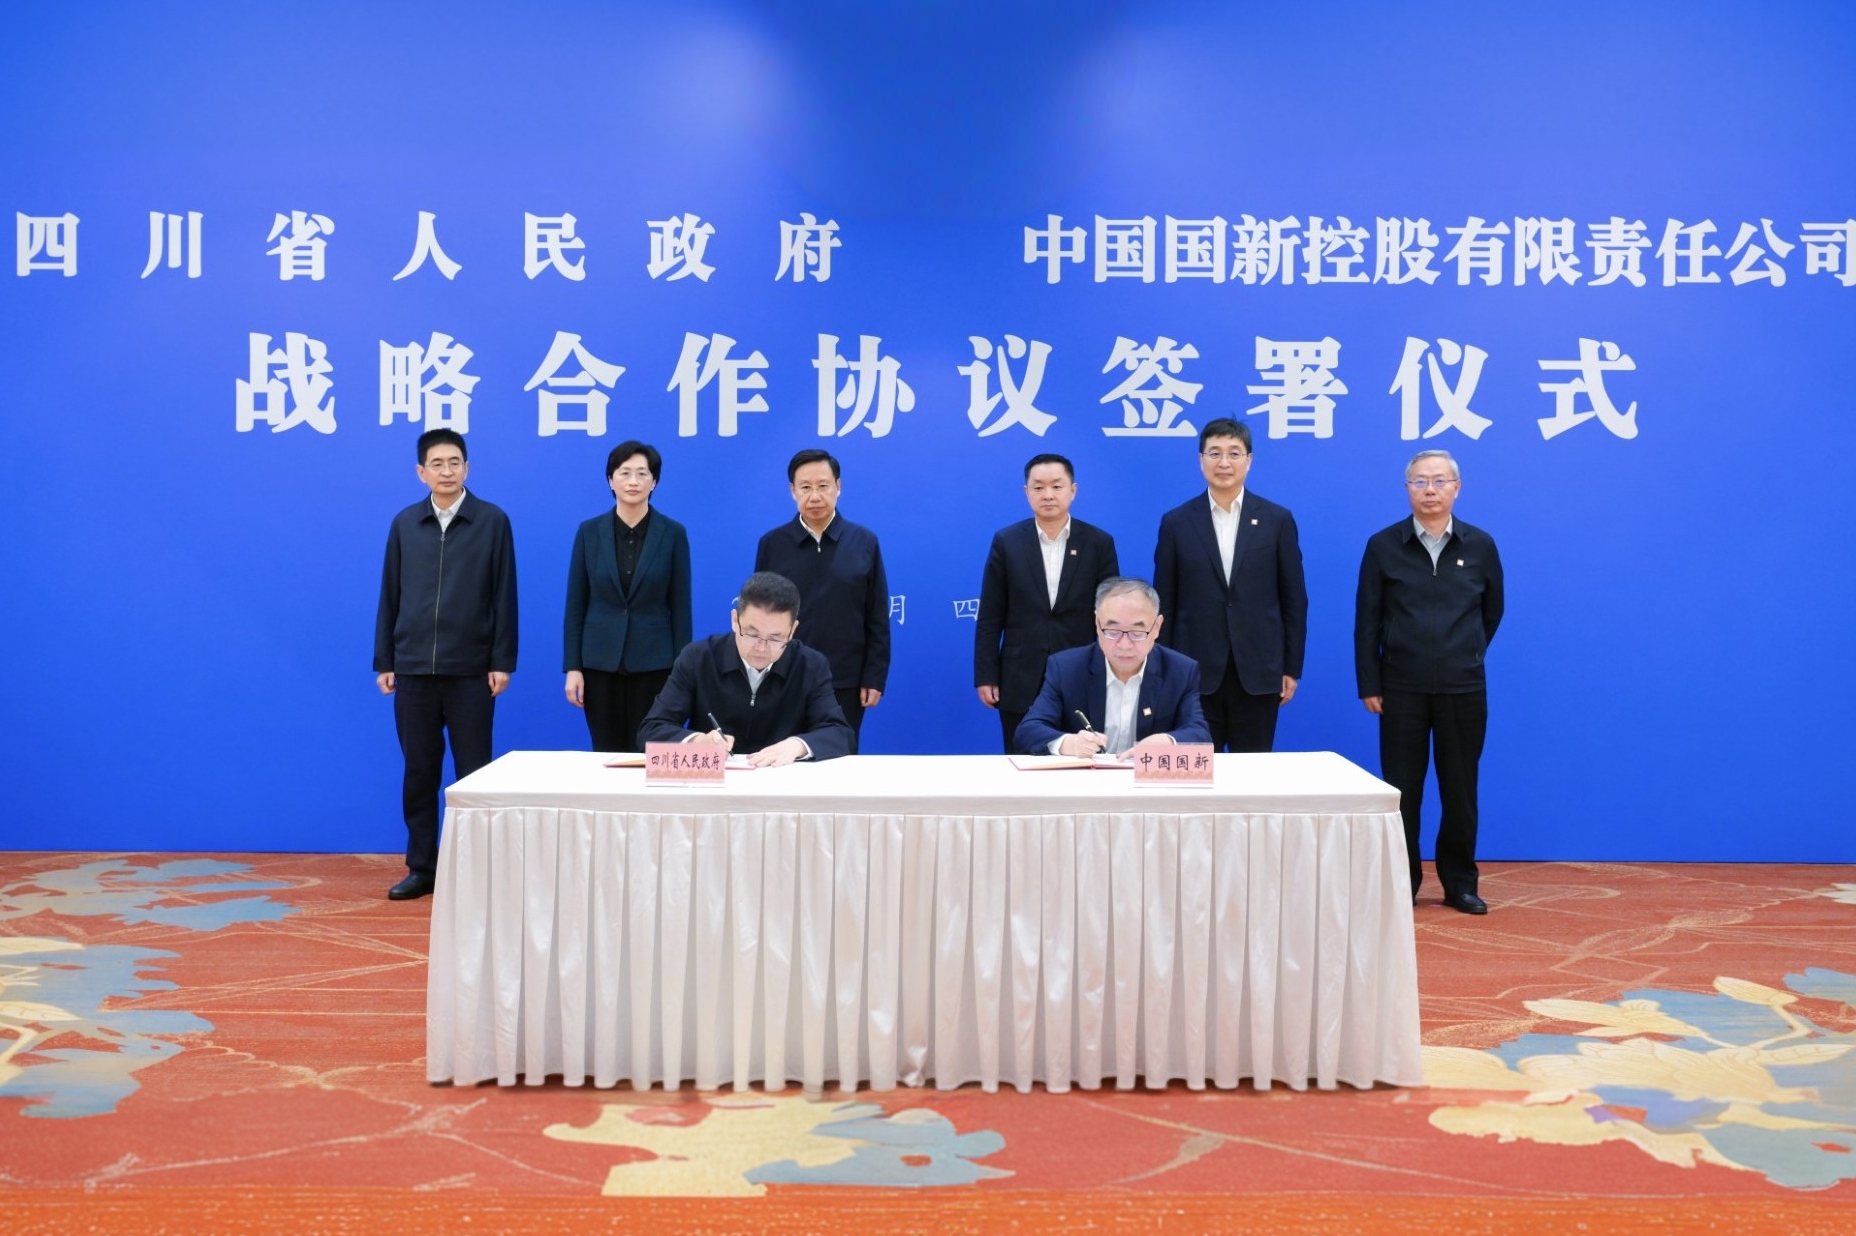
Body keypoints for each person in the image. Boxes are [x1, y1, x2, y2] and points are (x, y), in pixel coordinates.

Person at [1355, 449, 1504, 914]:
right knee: (1403, 790)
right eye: (1420, 482)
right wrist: (1370, 682)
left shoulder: (1480, 545)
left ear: (1457, 488)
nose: (1430, 490)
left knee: (1460, 790)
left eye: (1440, 481)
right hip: (1401, 688)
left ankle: (1460, 883)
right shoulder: (1383, 545)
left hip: (1463, 687)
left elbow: (1492, 611)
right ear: (1407, 489)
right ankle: (1403, 882)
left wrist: (1467, 651)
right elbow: (1367, 620)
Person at [373, 428, 517, 901]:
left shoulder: (492, 521)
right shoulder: (404, 524)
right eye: (437, 464)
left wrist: (501, 660)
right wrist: (385, 660)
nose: (447, 471)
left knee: (473, 775)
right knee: (419, 773)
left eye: (455, 462)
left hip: (471, 670)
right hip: (413, 670)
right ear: (421, 472)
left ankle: (475, 871)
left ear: (467, 468)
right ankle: (422, 867)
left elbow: (504, 595)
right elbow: (390, 594)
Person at [1153, 417, 1307, 753]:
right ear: (1201, 460)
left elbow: (1293, 599)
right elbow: (1164, 603)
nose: (1224, 462)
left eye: (1234, 453)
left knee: (1252, 775)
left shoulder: (1277, 520)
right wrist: (1164, 669)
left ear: (1249, 460)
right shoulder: (1177, 522)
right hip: (1193, 673)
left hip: (1259, 671)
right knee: (1194, 772)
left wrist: (1291, 667)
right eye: (1215, 453)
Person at [974, 453, 1120, 753]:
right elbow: (990, 615)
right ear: (1026, 492)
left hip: (1081, 673)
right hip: (1020, 675)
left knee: (1082, 760)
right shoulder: (1007, 542)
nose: (1048, 495)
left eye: (1057, 486)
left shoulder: (1098, 543)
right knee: (1022, 759)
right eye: (1038, 487)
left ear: (1073, 490)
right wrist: (986, 675)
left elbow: (1111, 616)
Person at [637, 571, 852, 765]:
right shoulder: (698, 658)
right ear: (734, 620)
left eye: (775, 638)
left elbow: (840, 734)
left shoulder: (810, 665)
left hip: (781, 781)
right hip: (713, 783)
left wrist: (797, 746)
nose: (761, 648)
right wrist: (697, 742)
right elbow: (651, 730)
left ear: (793, 630)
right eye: (751, 634)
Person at [754, 449, 889, 749]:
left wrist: (874, 676)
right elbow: (759, 616)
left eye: (823, 486)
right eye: (805, 487)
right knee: (783, 758)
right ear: (792, 491)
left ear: (838, 487)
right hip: (784, 676)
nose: (814, 496)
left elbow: (877, 614)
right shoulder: (773, 544)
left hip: (845, 678)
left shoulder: (864, 542)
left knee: (839, 757)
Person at [561, 441, 692, 752]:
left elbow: (681, 607)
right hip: (599, 664)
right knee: (605, 754)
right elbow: (576, 604)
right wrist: (573, 668)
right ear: (611, 480)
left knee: (651, 752)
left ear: (654, 481)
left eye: (642, 473)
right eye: (624, 473)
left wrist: (682, 672)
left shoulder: (673, 533)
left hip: (655, 665)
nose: (633, 481)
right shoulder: (589, 532)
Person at [1016, 578, 1211, 757]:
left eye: (1137, 632)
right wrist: (1069, 744)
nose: (1124, 645)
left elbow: (1199, 733)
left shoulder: (1180, 671)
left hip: (1146, 781)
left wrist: (1168, 742)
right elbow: (1028, 731)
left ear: (1157, 627)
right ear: (1097, 623)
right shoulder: (1066, 669)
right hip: (1086, 780)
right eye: (1112, 631)